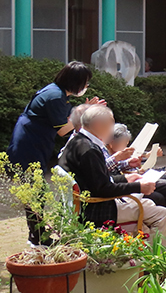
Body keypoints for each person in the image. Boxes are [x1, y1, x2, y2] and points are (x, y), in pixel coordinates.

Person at [8, 61, 103, 243]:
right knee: (36, 192)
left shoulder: (57, 93)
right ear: (75, 82)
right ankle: (38, 237)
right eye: (85, 82)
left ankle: (38, 235)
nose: (86, 86)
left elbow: (65, 119)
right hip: (29, 145)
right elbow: (62, 129)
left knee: (36, 191)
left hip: (33, 142)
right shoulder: (54, 97)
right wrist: (86, 115)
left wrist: (83, 111)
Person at [58, 106, 166, 244]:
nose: (112, 130)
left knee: (149, 204)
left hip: (89, 204)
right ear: (99, 125)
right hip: (97, 210)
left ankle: (141, 253)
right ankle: (155, 258)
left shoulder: (76, 142)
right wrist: (138, 187)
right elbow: (103, 189)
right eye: (111, 124)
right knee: (163, 215)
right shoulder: (89, 150)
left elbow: (96, 180)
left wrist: (126, 178)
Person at [108, 124, 166, 230]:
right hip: (128, 184)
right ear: (112, 143)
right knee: (164, 189)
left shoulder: (119, 153)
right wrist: (135, 171)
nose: (125, 147)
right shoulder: (108, 154)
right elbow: (114, 173)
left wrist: (147, 157)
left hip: (136, 177)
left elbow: (129, 162)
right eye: (123, 144)